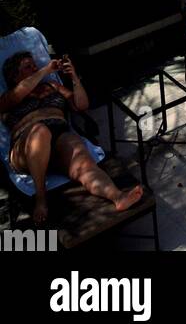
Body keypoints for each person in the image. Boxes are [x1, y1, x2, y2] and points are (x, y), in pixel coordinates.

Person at [0, 51, 143, 226]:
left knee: (80, 154)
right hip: (24, 148)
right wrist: (45, 70)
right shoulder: (8, 97)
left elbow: (81, 105)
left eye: (34, 64)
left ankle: (117, 196)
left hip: (59, 141)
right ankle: (41, 197)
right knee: (40, 130)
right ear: (15, 76)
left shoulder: (52, 86)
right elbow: (16, 96)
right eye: (28, 66)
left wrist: (74, 76)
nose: (35, 68)